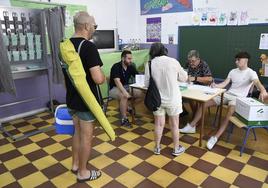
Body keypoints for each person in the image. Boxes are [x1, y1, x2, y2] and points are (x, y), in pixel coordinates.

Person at [180, 52, 268, 150]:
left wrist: (263, 90)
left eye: (238, 60)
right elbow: (224, 84)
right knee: (204, 103)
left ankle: (215, 137)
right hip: (227, 94)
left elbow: (257, 83)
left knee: (229, 112)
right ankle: (192, 126)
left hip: (239, 98)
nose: (236, 61)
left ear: (246, 60)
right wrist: (215, 86)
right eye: (236, 59)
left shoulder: (251, 72)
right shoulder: (233, 71)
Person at [62, 11, 104, 182]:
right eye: (94, 25)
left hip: (71, 99)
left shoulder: (65, 46)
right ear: (86, 26)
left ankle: (75, 164)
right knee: (86, 137)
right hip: (87, 102)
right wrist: (104, 76)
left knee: (77, 133)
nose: (94, 28)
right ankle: (83, 172)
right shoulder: (89, 47)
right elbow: (98, 79)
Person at [144, 42, 188, 156]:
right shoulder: (173, 61)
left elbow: (146, 84)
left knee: (158, 124)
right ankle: (176, 148)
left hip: (157, 99)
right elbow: (184, 78)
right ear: (164, 50)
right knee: (174, 124)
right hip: (173, 99)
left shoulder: (149, 64)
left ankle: (157, 148)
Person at [109, 50, 143, 128]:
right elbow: (117, 82)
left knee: (142, 94)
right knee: (124, 96)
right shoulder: (116, 66)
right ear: (122, 58)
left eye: (131, 59)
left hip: (127, 86)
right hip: (114, 88)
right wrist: (125, 93)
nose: (130, 60)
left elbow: (138, 76)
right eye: (129, 59)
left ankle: (127, 107)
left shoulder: (130, 66)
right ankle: (124, 119)